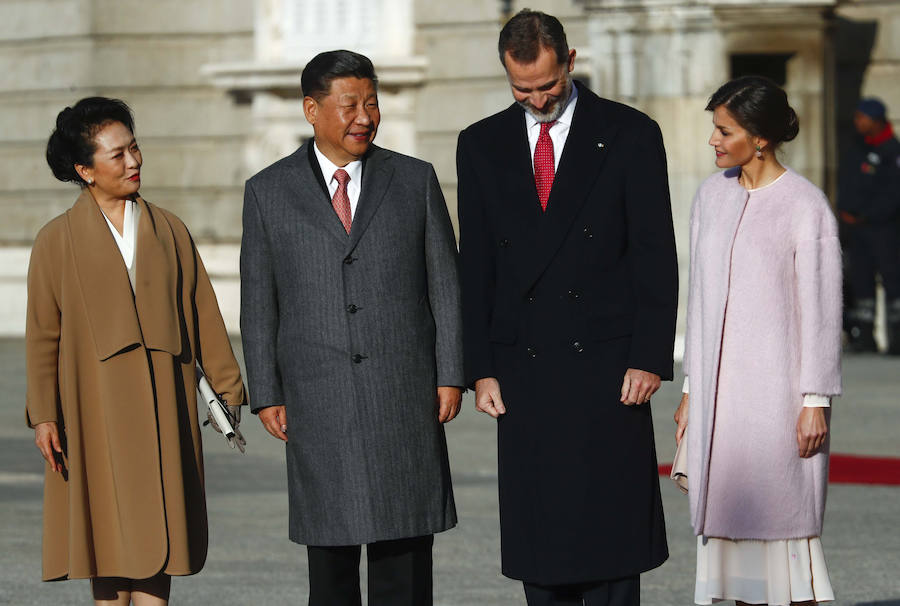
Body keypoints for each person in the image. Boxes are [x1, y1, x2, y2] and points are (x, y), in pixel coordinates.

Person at [456, 10, 677, 605]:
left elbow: (655, 253)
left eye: (548, 86)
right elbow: (474, 265)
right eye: (521, 89)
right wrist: (479, 368)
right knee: (543, 540)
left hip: (608, 366)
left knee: (610, 542)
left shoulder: (630, 132)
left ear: (570, 62)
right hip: (523, 367)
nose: (537, 100)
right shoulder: (480, 143)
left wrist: (650, 356)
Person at [240, 50, 464, 606]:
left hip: (404, 393)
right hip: (319, 398)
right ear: (312, 110)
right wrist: (266, 390)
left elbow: (445, 285)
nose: (364, 116)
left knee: (404, 561)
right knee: (331, 560)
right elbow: (258, 301)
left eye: (371, 103)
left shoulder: (413, 180)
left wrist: (452, 373)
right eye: (349, 105)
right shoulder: (268, 191)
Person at [28, 97, 246, 605]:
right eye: (117, 155)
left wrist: (228, 384)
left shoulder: (169, 228)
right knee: (104, 534)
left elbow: (202, 313)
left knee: (162, 529)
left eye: (135, 148)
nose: (134, 162)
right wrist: (44, 415)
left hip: (165, 404)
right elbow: (43, 336)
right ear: (84, 170)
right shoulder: (55, 241)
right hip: (91, 407)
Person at [675, 76, 842, 606]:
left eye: (725, 131)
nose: (714, 141)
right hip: (718, 402)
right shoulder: (710, 196)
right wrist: (690, 391)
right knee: (724, 531)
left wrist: (814, 400)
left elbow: (820, 312)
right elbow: (699, 301)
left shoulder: (805, 206)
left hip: (777, 399)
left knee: (784, 528)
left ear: (760, 138)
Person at [838, 97, 900, 354]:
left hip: (883, 228)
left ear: (875, 120)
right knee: (859, 281)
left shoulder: (891, 151)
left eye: (862, 118)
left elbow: (894, 194)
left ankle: (897, 339)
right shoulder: (856, 147)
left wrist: (866, 215)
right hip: (856, 229)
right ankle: (864, 337)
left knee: (893, 281)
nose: (858, 122)